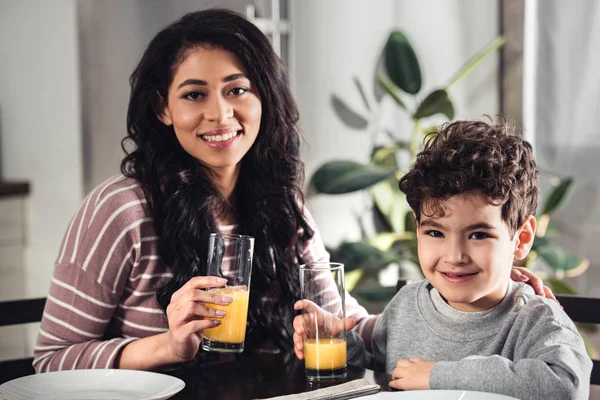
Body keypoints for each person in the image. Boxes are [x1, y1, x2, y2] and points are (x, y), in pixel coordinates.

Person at [34, 9, 549, 373]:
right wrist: (166, 346)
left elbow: (342, 327)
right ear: (163, 110)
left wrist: (487, 294)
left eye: (238, 89)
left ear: (264, 98)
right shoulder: (120, 209)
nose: (220, 114)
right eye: (194, 95)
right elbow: (50, 362)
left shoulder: (280, 203)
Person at [293, 119, 592, 399]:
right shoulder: (407, 304)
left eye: (478, 235)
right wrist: (342, 345)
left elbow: (565, 385)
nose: (454, 256)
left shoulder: (536, 320)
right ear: (417, 229)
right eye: (436, 233)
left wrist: (437, 375)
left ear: (521, 238)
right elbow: (387, 369)